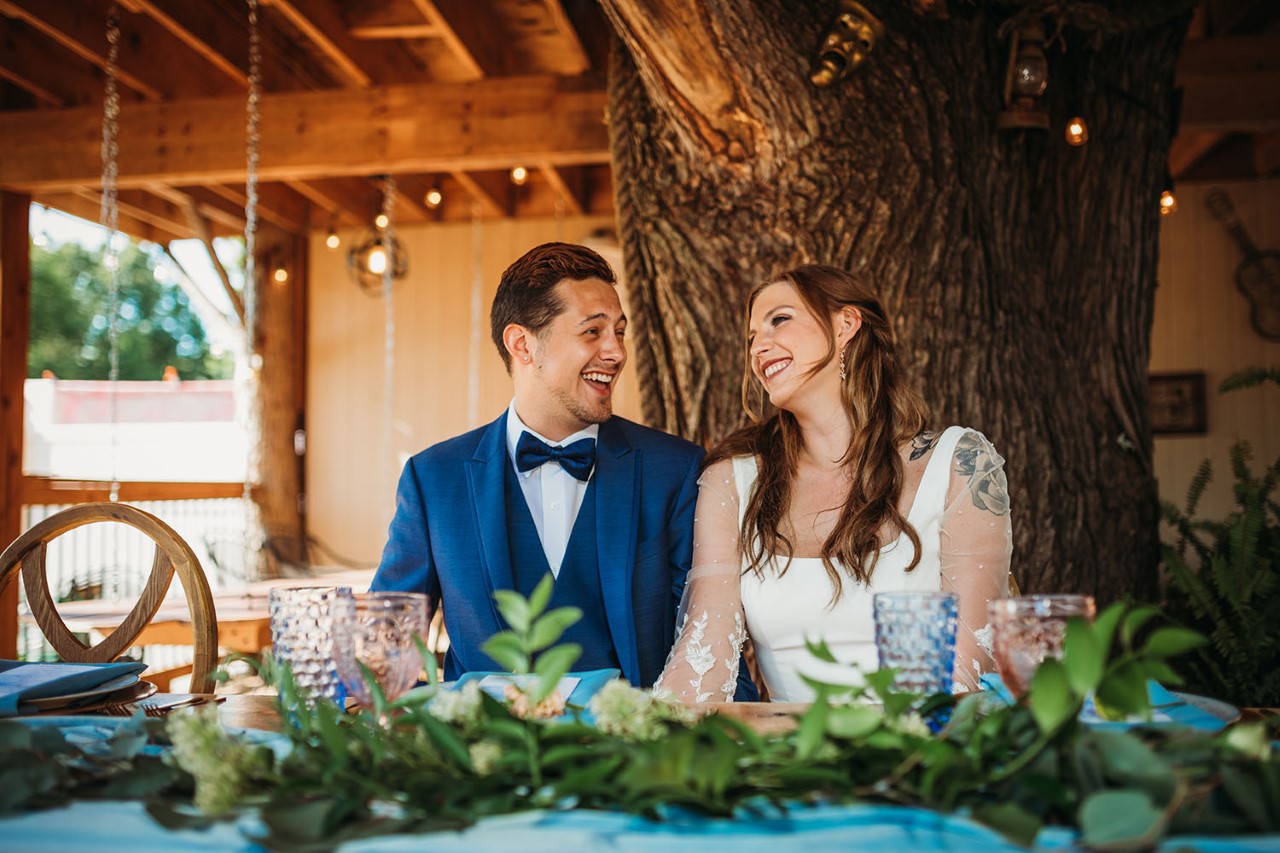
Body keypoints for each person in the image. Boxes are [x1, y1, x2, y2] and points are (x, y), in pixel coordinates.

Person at [655, 264, 1012, 702]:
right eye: (750, 338)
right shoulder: (733, 480)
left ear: (845, 325)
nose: (758, 347)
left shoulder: (958, 464)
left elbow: (972, 664)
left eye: (779, 320)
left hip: (926, 752)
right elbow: (703, 651)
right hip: (790, 758)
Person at [371, 242, 709, 689]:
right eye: (593, 332)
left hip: (633, 750)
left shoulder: (675, 470)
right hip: (486, 751)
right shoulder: (434, 479)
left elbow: (707, 639)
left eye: (620, 332)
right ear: (522, 344)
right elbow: (386, 646)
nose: (616, 352)